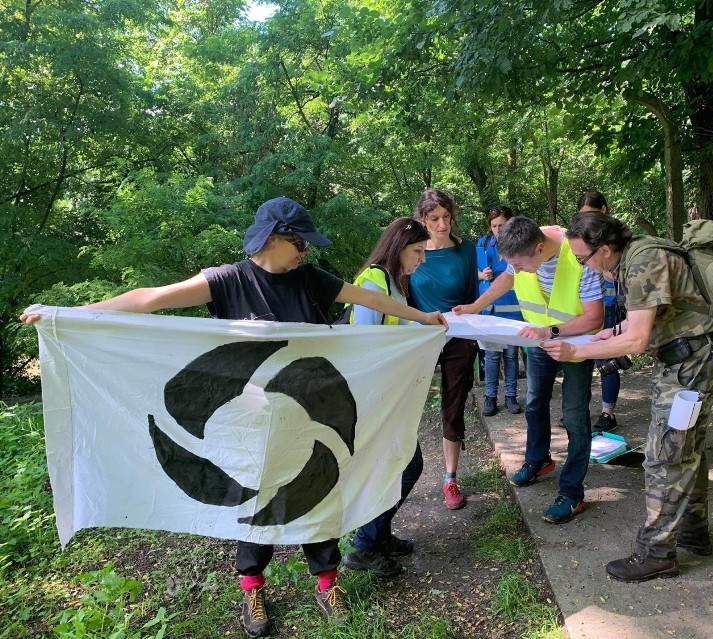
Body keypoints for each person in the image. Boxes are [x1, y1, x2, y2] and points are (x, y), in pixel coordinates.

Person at [21, 197, 448, 638]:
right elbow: (150, 298)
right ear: (271, 238)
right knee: (256, 503)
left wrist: (423, 318)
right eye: (299, 243)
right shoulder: (228, 280)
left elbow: (365, 297)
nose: (306, 252)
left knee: (316, 495)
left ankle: (326, 584)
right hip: (249, 424)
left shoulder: (310, 281)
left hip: (309, 413)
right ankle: (252, 587)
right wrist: (67, 315)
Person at [541, 210, 713, 583]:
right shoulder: (635, 256)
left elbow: (639, 340)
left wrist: (576, 352)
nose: (584, 267)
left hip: (689, 368)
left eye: (583, 259)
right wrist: (610, 333)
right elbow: (650, 315)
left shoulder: (643, 261)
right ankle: (694, 531)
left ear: (606, 249)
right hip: (686, 361)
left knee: (665, 457)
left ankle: (656, 553)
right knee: (686, 449)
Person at [453, 216, 603, 525]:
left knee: (575, 416)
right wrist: (475, 306)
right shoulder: (520, 253)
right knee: (534, 403)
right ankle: (538, 460)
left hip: (574, 347)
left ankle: (571, 493)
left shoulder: (579, 255)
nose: (517, 271)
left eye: (521, 265)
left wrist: (552, 332)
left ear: (538, 247)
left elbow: (593, 318)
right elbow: (506, 278)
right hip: (539, 341)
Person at [340, 217, 430, 577]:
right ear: (398, 248)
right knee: (405, 465)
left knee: (400, 465)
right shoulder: (374, 281)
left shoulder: (394, 284)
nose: (422, 259)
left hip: (389, 395)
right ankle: (364, 545)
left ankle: (378, 536)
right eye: (417, 251)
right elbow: (365, 345)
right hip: (373, 397)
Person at [408, 188, 479, 511]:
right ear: (421, 220)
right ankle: (400, 471)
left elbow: (470, 299)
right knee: (405, 405)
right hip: (418, 339)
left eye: (447, 217)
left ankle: (450, 478)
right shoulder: (410, 251)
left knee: (453, 408)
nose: (442, 224)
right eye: (434, 218)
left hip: (458, 339)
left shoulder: (466, 251)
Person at [577, 190, 622, 432]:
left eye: (592, 214)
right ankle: (578, 409)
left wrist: (602, 270)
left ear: (604, 211)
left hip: (610, 304)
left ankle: (608, 412)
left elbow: (613, 272)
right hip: (586, 306)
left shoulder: (614, 240)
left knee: (607, 356)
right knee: (586, 354)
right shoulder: (582, 240)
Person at [476, 206, 523, 417]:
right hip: (490, 310)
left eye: (502, 225)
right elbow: (472, 272)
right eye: (494, 226)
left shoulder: (520, 244)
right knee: (492, 355)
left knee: (512, 354)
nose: (497, 229)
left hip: (513, 308)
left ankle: (511, 396)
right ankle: (490, 397)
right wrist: (480, 275)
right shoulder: (483, 245)